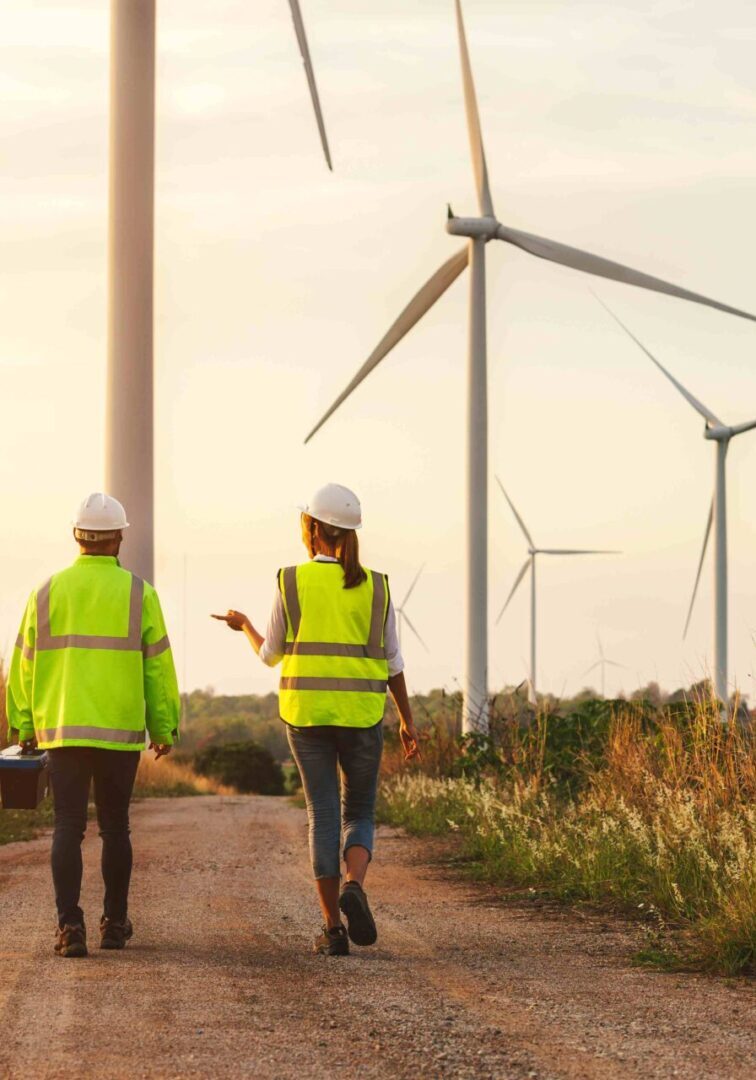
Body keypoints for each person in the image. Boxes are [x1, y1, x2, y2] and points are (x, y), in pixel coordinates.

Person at [213, 483, 420, 956]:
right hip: (363, 715)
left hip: (305, 717)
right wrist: (407, 721)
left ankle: (332, 929)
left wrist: (243, 625)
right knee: (360, 812)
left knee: (322, 814)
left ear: (310, 529)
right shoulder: (379, 586)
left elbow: (270, 655)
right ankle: (355, 884)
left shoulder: (289, 580)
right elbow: (393, 664)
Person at [6, 493, 181, 958]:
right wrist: (163, 728)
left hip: (62, 730)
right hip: (119, 732)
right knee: (115, 828)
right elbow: (158, 669)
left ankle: (70, 928)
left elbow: (22, 663)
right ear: (119, 538)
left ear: (76, 536)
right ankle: (115, 923)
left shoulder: (45, 592)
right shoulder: (140, 594)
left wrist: (22, 724)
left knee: (67, 825)